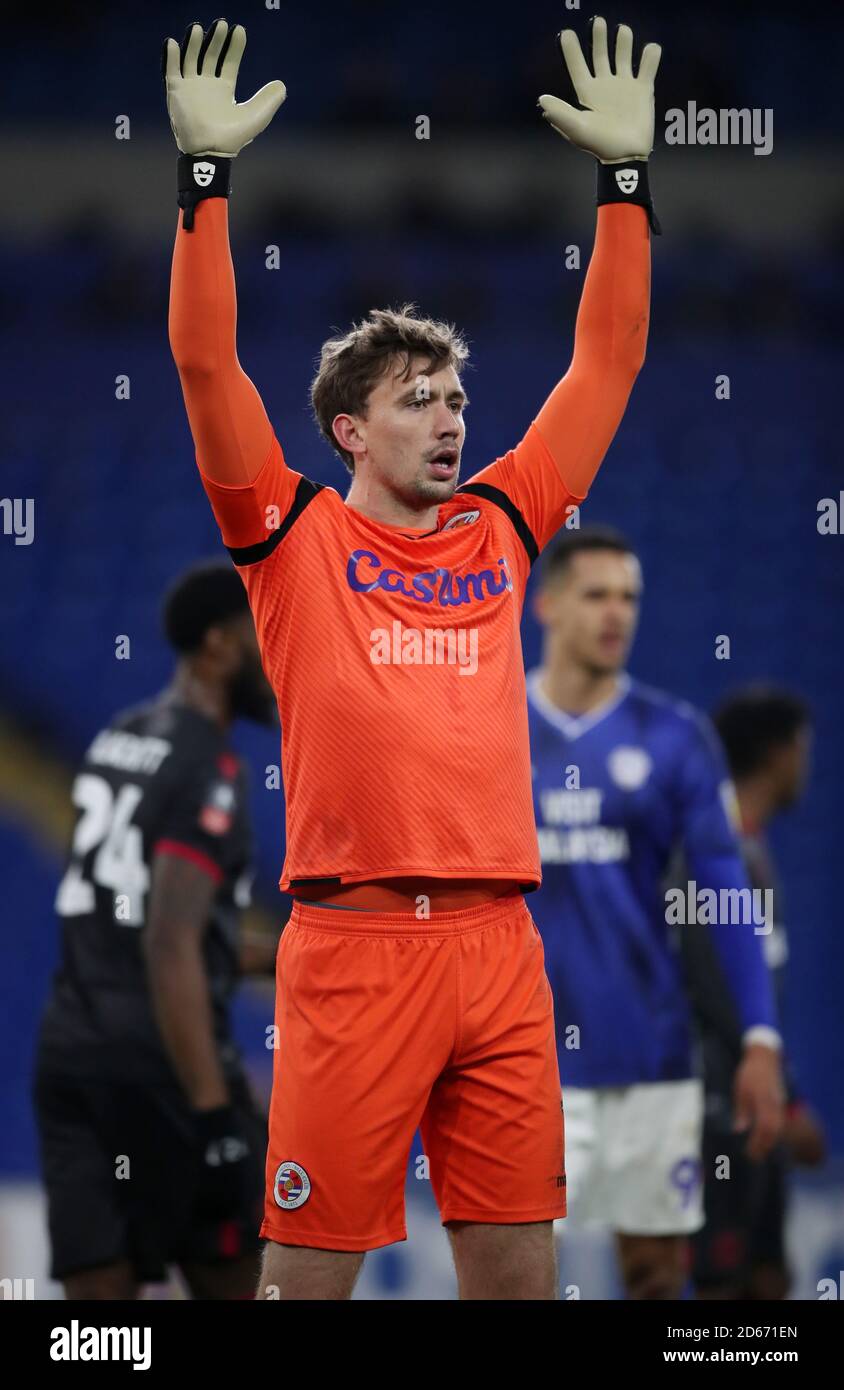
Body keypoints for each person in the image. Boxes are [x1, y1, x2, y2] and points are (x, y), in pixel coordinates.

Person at [165, 14, 663, 1300]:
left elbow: (605, 358)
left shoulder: (502, 523)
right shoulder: (286, 533)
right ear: (347, 427)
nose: (451, 418)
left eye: (456, 397)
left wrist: (622, 183)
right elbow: (203, 358)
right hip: (351, 946)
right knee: (306, 1287)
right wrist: (206, 184)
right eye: (418, 401)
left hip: (498, 948)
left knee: (515, 1283)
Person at [527, 527, 784, 1300]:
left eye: (630, 597)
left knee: (653, 1275)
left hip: (649, 1051)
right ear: (548, 605)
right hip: (519, 1057)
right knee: (519, 1276)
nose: (617, 614)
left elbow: (723, 892)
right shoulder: (486, 725)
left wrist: (760, 1036)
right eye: (597, 594)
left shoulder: (677, 737)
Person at [33, 561, 278, 1300]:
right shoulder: (208, 766)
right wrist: (213, 1117)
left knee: (100, 1328)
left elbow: (149, 925)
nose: (280, 654)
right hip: (166, 1069)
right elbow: (169, 941)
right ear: (217, 646)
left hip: (73, 1059)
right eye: (263, 633)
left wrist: (303, 956)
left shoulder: (122, 737)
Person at [683, 686, 826, 1300]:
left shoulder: (749, 845)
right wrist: (784, 1100)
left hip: (753, 1093)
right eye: (802, 747)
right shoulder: (717, 854)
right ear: (776, 753)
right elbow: (715, 988)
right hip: (723, 1101)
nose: (807, 763)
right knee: (723, 1283)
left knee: (769, 1278)